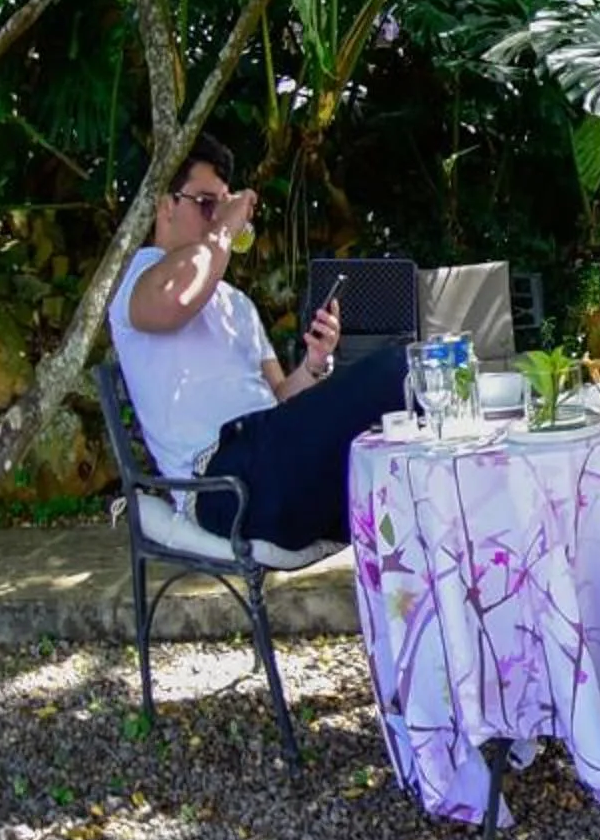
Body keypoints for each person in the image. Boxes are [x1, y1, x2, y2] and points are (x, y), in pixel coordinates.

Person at [109, 133, 406, 551]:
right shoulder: (137, 280)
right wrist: (225, 228)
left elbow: (279, 398)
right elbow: (174, 301)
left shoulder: (237, 305)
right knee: (401, 368)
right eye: (206, 204)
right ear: (165, 205)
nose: (218, 217)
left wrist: (313, 365)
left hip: (275, 465)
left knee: (407, 477)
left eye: (224, 205)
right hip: (222, 484)